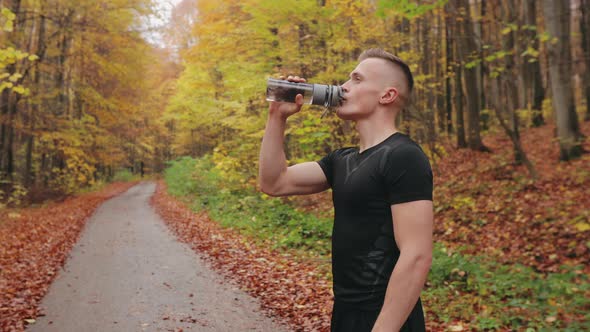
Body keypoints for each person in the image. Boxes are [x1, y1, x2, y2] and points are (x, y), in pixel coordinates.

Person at [258, 48, 433, 332]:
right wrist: (277, 116)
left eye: (357, 79)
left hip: (387, 317)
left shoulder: (404, 156)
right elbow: (274, 182)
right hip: (345, 313)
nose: (343, 87)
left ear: (387, 95)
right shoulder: (342, 159)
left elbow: (416, 255)